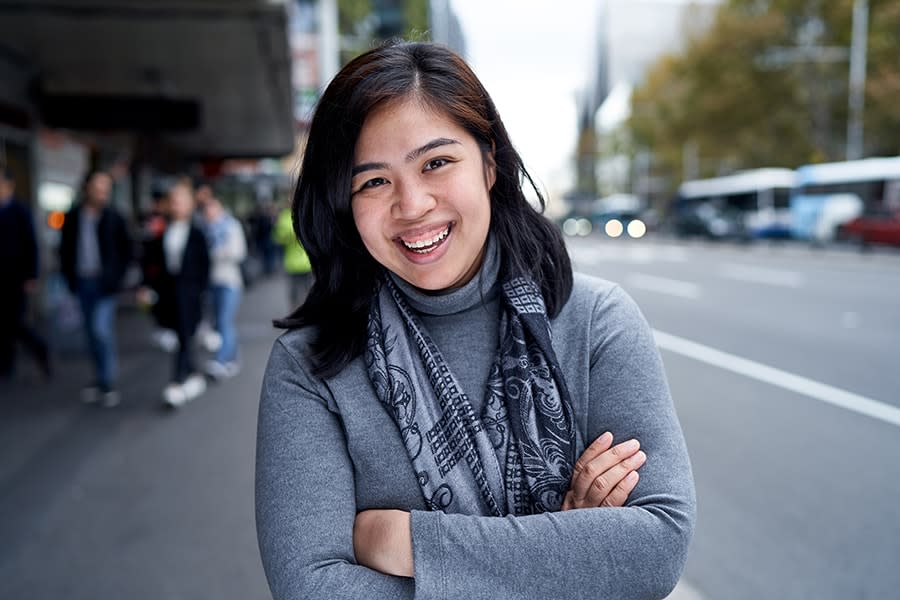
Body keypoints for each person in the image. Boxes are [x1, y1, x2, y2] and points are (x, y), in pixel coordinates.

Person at [255, 42, 695, 600]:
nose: (412, 205)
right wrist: (569, 555)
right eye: (373, 181)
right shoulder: (311, 364)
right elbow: (310, 587)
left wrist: (408, 543)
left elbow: (656, 547)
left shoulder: (595, 323)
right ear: (345, 202)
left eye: (436, 162)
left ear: (489, 161)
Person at [59, 170, 132, 406]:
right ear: (87, 188)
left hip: (105, 284)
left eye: (106, 189)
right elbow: (65, 249)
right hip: (82, 281)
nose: (102, 193)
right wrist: (68, 277)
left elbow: (127, 251)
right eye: (98, 187)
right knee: (90, 332)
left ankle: (108, 381)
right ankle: (99, 378)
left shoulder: (114, 217)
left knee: (101, 329)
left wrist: (117, 277)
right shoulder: (73, 216)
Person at [140, 177, 210, 407]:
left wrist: (199, 290)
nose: (177, 205)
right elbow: (151, 261)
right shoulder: (161, 230)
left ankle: (176, 382)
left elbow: (204, 265)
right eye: (174, 201)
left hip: (189, 295)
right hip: (169, 295)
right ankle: (193, 374)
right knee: (182, 336)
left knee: (183, 336)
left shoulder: (198, 232)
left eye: (182, 200)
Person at [0, 166, 51, 380]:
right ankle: (6, 365)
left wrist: (31, 275)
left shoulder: (20, 210)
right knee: (3, 322)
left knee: (14, 321)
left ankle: (40, 348)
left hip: (16, 276)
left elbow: (31, 244)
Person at [198, 184, 247, 379]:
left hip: (229, 282)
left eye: (212, 208)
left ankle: (221, 361)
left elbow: (238, 253)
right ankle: (233, 357)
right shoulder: (203, 229)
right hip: (211, 282)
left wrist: (215, 254)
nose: (209, 212)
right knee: (220, 323)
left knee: (225, 321)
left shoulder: (230, 226)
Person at [271, 202, 312, 309]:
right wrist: (292, 234)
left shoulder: (308, 213)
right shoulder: (285, 216)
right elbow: (278, 238)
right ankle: (295, 318)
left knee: (310, 294)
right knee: (294, 295)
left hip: (309, 263)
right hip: (293, 264)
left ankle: (307, 316)